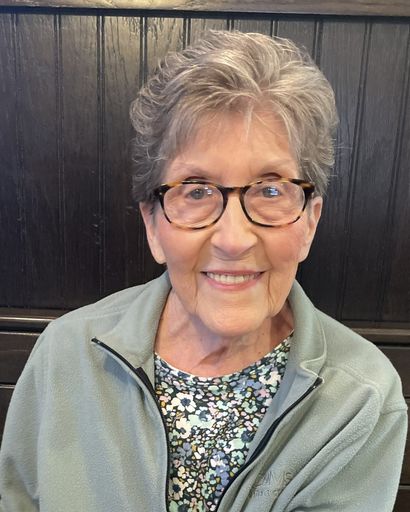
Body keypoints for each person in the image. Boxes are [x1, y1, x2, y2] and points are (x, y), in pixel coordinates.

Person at [0, 30, 407, 512]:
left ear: (309, 223)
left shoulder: (362, 399)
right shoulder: (65, 355)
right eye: (196, 191)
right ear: (153, 225)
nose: (234, 239)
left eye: (270, 190)